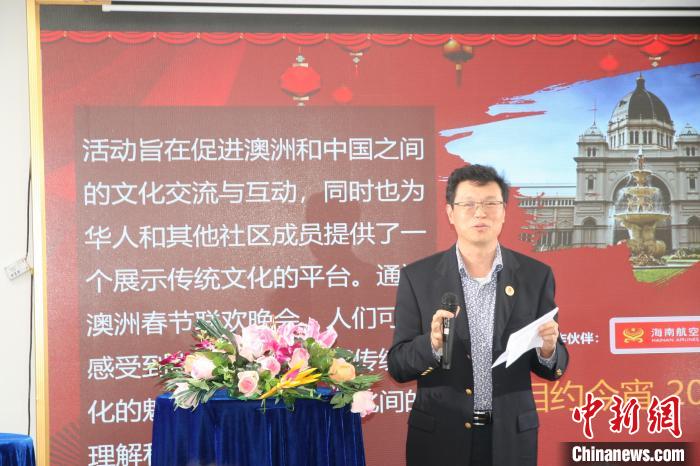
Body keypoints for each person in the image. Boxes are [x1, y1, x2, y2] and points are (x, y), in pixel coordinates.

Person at [387, 164, 568, 466]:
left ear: (504, 211)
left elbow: (553, 366)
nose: (480, 213)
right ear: (450, 213)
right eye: (468, 204)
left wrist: (548, 350)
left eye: (490, 203)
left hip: (509, 440)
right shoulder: (418, 277)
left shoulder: (535, 276)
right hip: (440, 438)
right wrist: (432, 344)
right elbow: (398, 365)